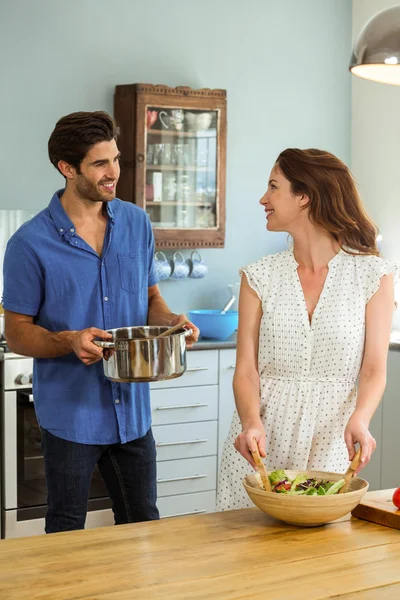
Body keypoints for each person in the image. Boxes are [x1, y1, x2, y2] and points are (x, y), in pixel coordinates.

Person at [2, 111, 199, 532]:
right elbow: (15, 331)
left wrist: (171, 324)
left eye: (116, 159)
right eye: (100, 164)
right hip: (72, 417)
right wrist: (69, 339)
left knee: (143, 524)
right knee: (68, 530)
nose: (114, 173)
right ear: (67, 168)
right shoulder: (29, 244)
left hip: (132, 412)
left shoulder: (136, 223)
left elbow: (150, 299)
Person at [217, 148, 398, 510]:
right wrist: (251, 423)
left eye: (273, 187)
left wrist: (360, 420)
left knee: (319, 559)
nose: (263, 199)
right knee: (244, 557)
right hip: (261, 445)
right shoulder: (259, 276)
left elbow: (374, 368)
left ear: (305, 196)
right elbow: (247, 371)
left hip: (333, 440)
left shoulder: (373, 275)